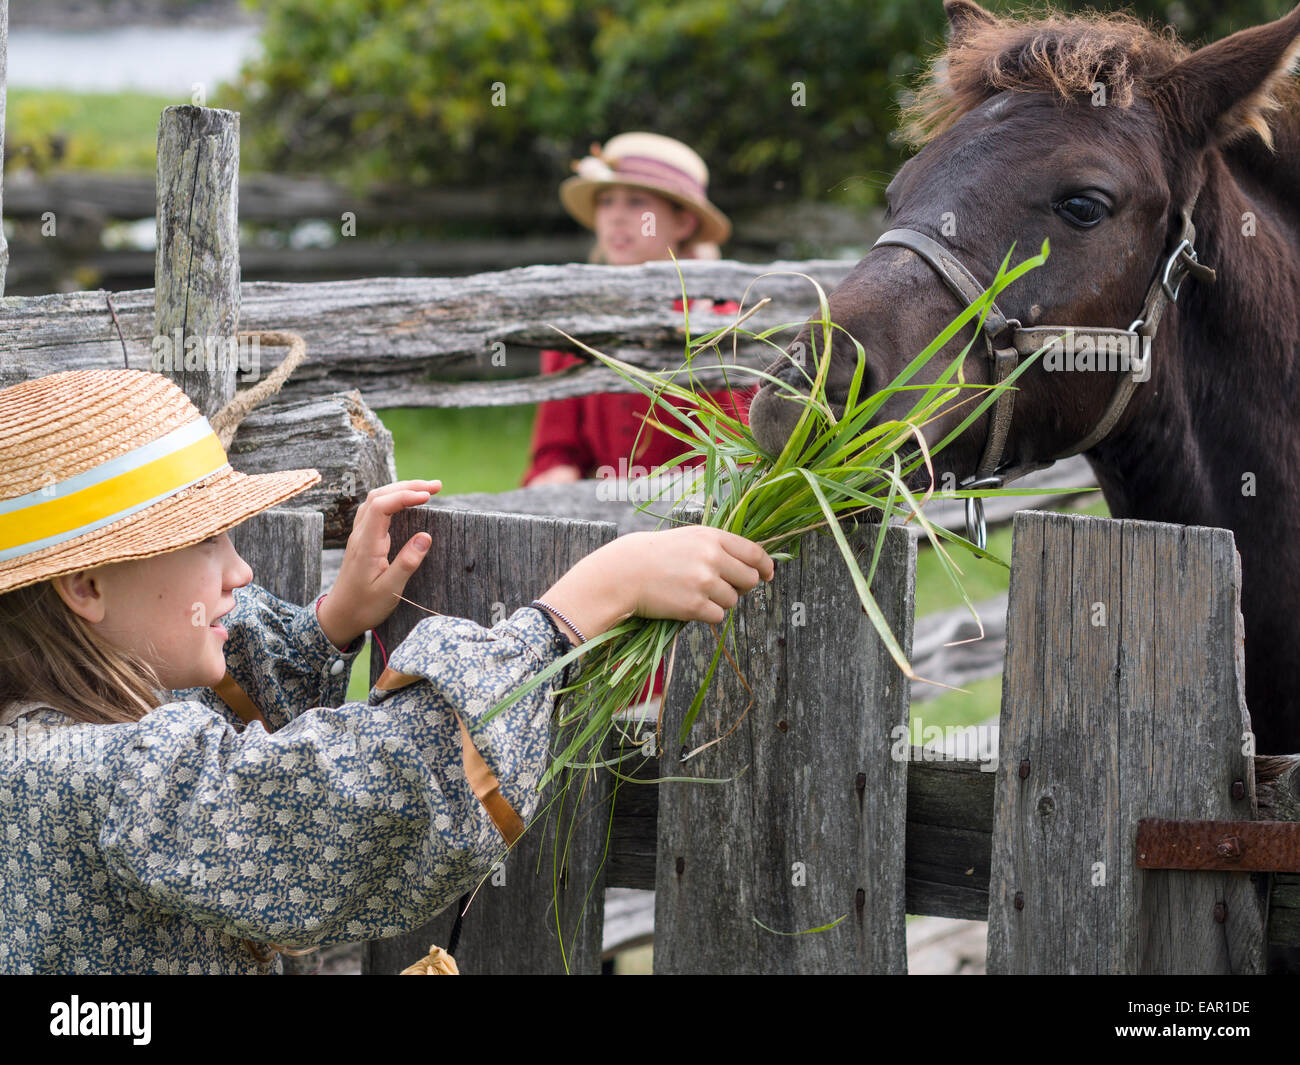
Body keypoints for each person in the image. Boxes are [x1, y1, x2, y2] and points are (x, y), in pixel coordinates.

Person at [0, 369, 773, 974]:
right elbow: (349, 799)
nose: (239, 570)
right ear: (87, 587)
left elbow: (232, 758)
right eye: (206, 543)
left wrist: (333, 623)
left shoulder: (47, 734)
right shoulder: (85, 774)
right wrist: (584, 603)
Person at [523, 131, 745, 487]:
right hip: (601, 522)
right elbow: (557, 451)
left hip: (697, 521)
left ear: (684, 222)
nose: (616, 217)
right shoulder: (576, 325)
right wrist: (552, 484)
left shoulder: (720, 321)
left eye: (637, 202)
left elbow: (736, 457)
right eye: (606, 201)